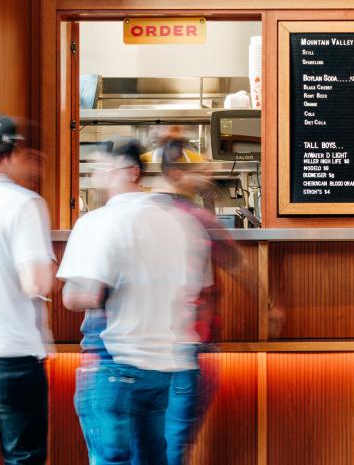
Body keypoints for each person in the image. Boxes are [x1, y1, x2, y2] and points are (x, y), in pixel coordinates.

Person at [58, 141, 210, 465]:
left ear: (130, 171)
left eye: (101, 168)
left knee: (110, 459)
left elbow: (80, 296)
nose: (95, 174)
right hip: (164, 369)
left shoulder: (98, 222)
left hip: (113, 364)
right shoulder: (180, 222)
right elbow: (195, 289)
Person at [157, 139, 282, 465]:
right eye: (195, 167)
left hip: (142, 350)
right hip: (191, 344)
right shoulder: (199, 219)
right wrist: (269, 307)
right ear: (176, 174)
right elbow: (239, 267)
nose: (205, 171)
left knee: (149, 443)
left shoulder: (141, 215)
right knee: (174, 444)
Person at [0, 112, 55, 465]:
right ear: (10, 153)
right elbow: (35, 282)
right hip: (13, 358)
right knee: (23, 458)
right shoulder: (23, 203)